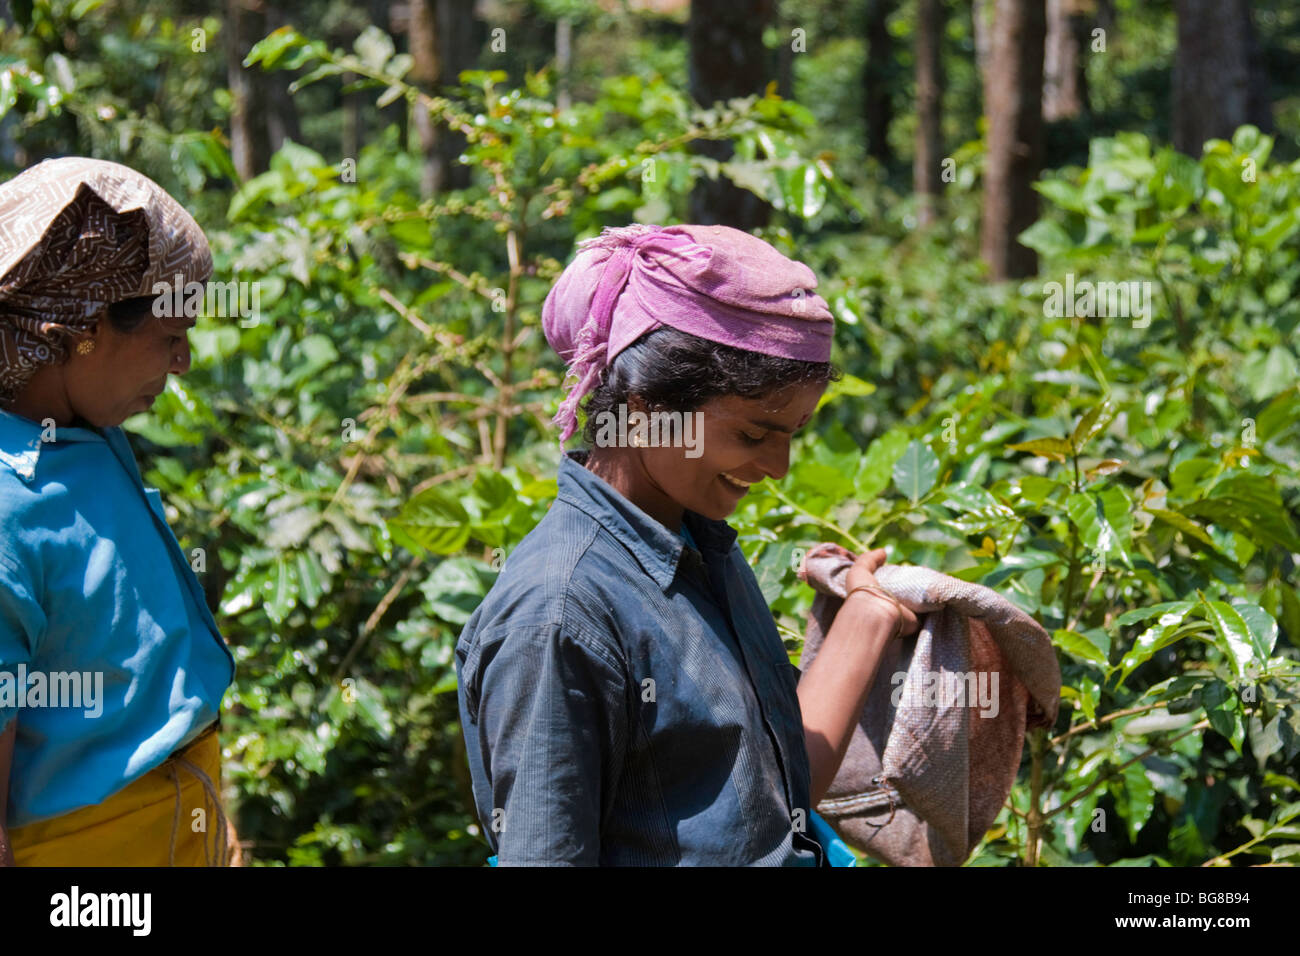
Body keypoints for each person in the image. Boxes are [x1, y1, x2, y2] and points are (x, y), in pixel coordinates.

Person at [455, 223, 919, 866]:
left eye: (794, 433)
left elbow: (773, 796)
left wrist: (865, 619)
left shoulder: (702, 548)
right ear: (646, 409)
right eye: (756, 435)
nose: (779, 467)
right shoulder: (559, 617)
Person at [0, 157, 238, 866]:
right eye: (170, 339)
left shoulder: (86, 435)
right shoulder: (11, 504)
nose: (184, 362)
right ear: (81, 330)